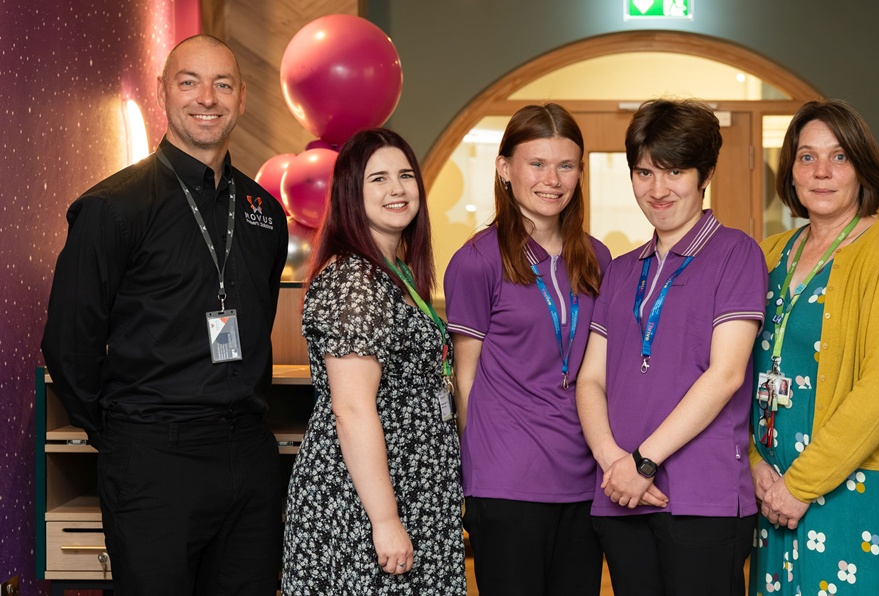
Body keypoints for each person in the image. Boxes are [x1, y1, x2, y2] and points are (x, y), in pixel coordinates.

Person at [41, 35, 286, 595]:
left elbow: (261, 317)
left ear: (242, 98)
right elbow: (69, 345)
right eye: (189, 82)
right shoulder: (113, 208)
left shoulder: (265, 213)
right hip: (154, 456)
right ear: (163, 92)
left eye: (222, 84)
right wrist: (123, 434)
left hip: (249, 452)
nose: (207, 98)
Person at [575, 98, 767, 596]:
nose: (657, 190)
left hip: (703, 497)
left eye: (674, 171)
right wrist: (614, 462)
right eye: (644, 173)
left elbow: (726, 375)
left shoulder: (736, 254)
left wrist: (643, 462)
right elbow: (590, 379)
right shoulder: (621, 270)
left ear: (705, 175)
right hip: (621, 496)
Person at [749, 99, 879, 596]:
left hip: (856, 487)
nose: (822, 172)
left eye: (839, 157)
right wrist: (754, 461)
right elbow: (738, 369)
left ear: (861, 167)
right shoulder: (768, 253)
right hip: (771, 486)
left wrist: (801, 485)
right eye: (807, 157)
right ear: (791, 172)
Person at [281, 128, 465, 595]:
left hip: (409, 488)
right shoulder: (354, 280)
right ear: (350, 193)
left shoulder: (393, 269)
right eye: (378, 179)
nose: (397, 189)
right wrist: (384, 520)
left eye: (405, 175)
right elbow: (352, 409)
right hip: (367, 499)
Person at [444, 104, 611, 595]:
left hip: (584, 475)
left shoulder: (597, 257)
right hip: (507, 477)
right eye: (537, 163)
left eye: (566, 165)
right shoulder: (477, 260)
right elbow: (465, 379)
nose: (552, 180)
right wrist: (478, 469)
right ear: (504, 168)